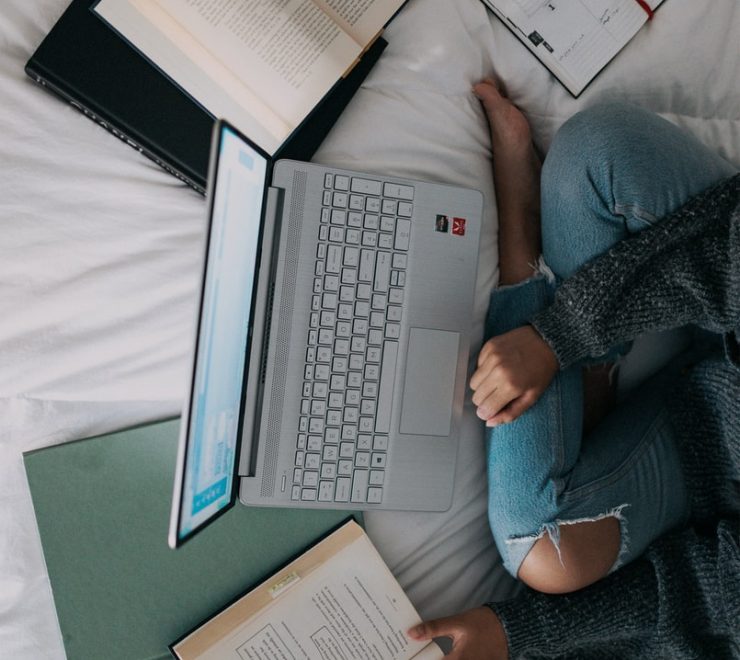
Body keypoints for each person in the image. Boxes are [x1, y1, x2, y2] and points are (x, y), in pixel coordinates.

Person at [407, 80, 740, 657]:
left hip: (711, 452)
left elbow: (713, 589)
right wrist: (563, 336)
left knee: (541, 547)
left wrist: (518, 631)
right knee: (597, 154)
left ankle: (532, 272)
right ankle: (557, 309)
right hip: (726, 292)